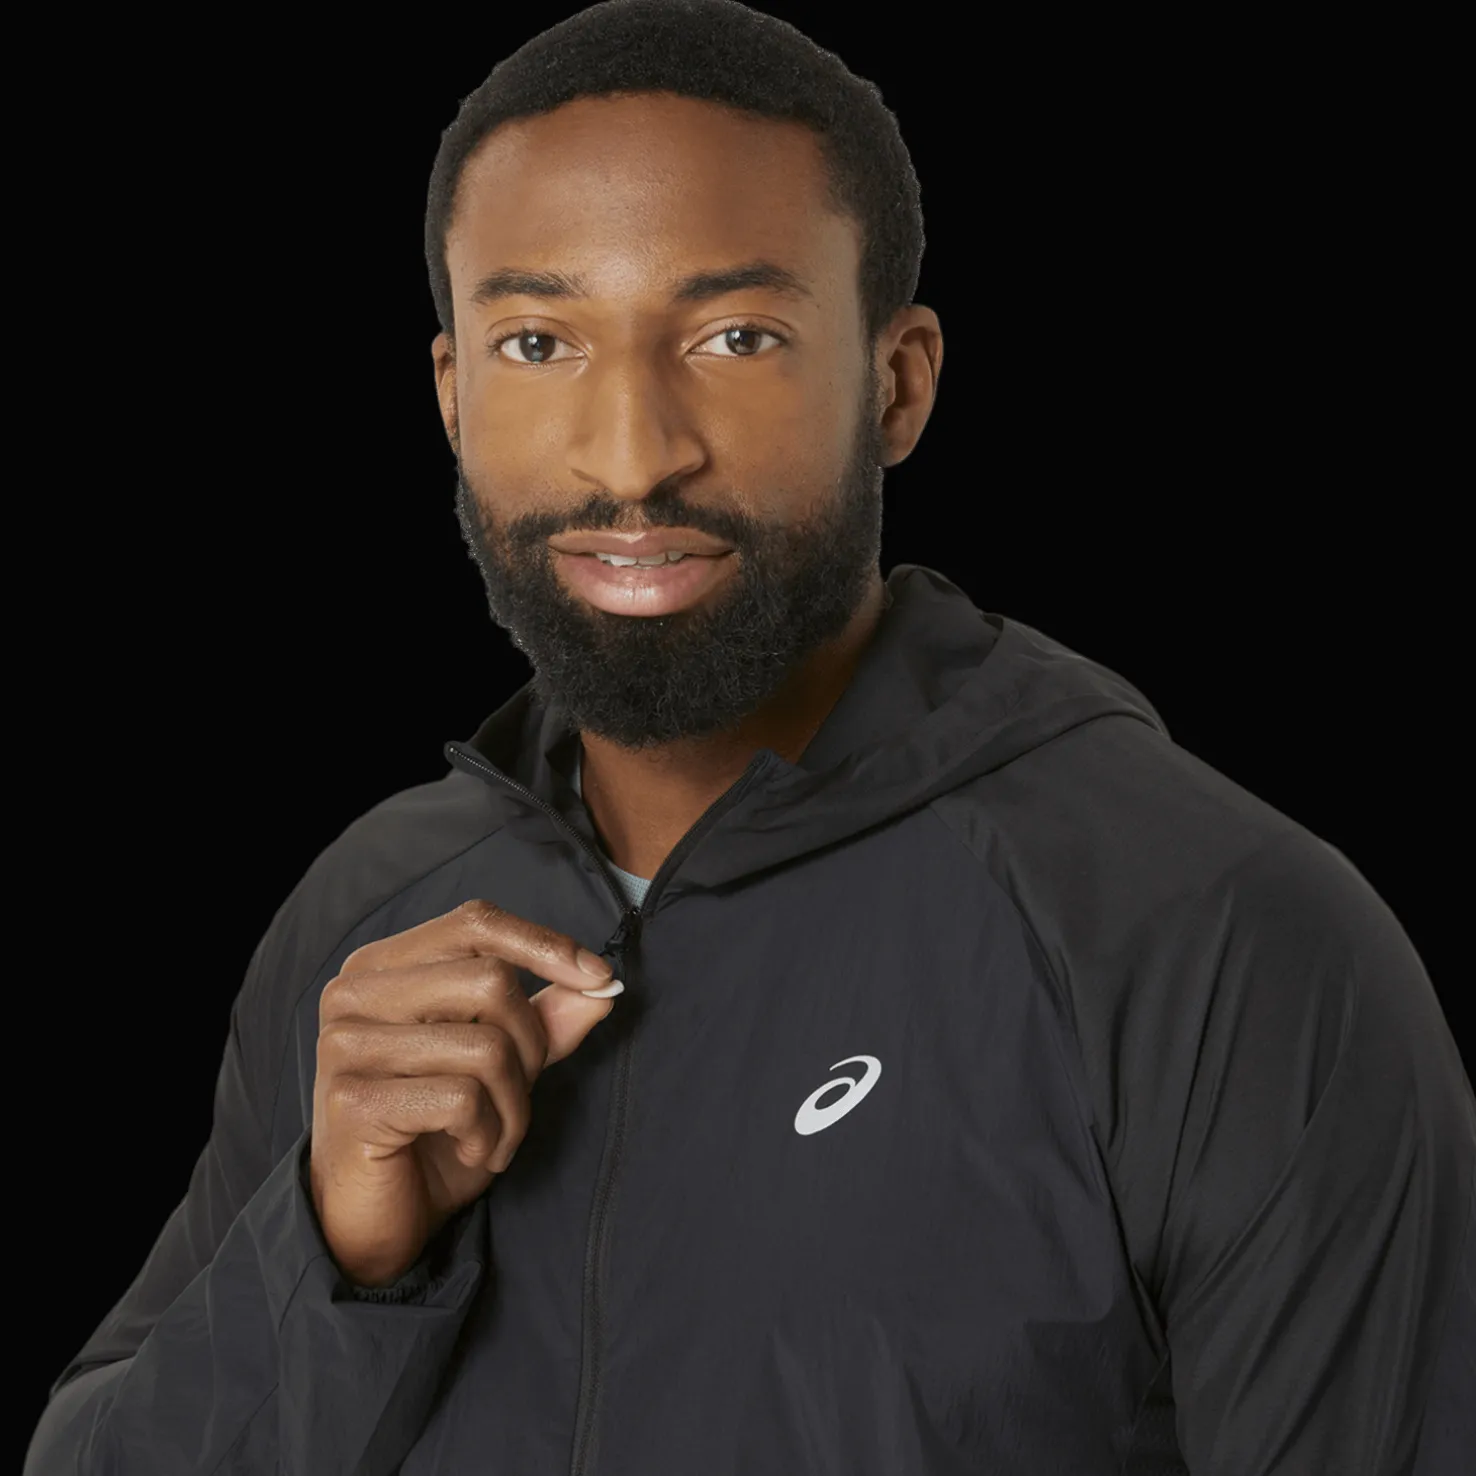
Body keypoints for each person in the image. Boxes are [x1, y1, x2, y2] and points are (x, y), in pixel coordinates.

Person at [25, 1, 1473, 1472]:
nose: (633, 453)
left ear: (896, 384)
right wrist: (338, 1256)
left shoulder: (1213, 938)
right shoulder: (370, 923)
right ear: (454, 396)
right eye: (538, 341)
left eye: (735, 336)